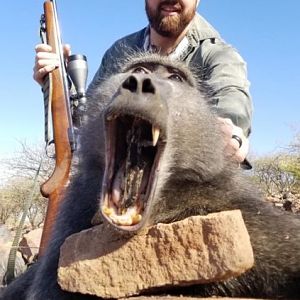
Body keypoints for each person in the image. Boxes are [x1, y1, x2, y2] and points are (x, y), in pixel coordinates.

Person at [33, 0, 252, 166]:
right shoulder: (120, 51)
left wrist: (229, 131)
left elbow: (232, 97)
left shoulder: (219, 54)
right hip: (120, 177)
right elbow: (87, 119)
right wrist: (56, 84)